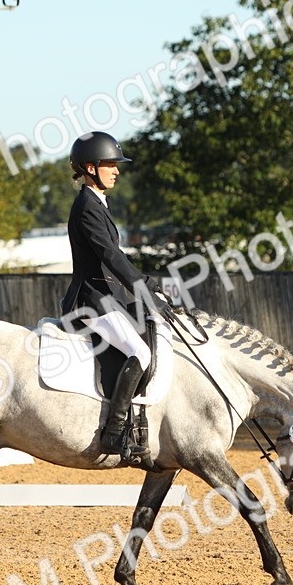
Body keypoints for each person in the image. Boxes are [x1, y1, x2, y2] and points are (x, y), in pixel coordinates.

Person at [60, 131, 166, 457]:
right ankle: (114, 433)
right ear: (90, 168)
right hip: (91, 301)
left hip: (109, 298)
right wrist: (144, 286)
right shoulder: (86, 207)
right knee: (141, 353)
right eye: (110, 164)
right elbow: (110, 255)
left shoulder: (99, 203)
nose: (117, 170)